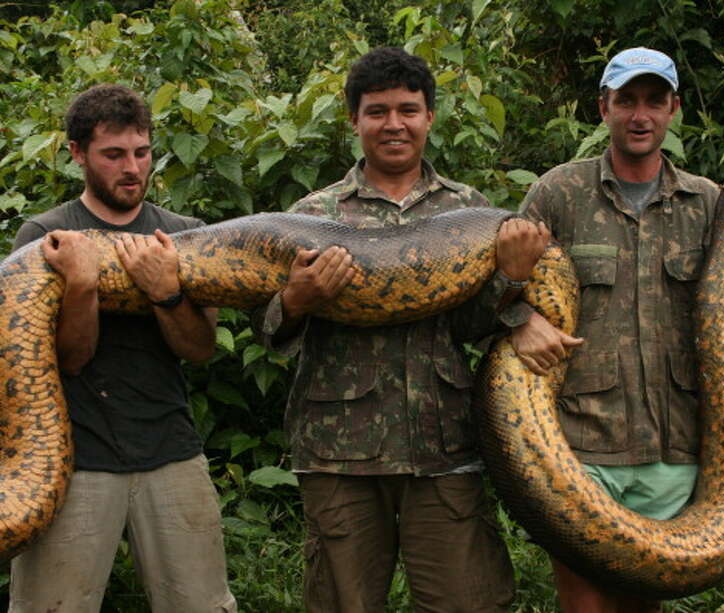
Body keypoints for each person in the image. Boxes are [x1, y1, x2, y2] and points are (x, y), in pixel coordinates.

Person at [510, 47, 724, 612]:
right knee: (582, 603)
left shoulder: (706, 201)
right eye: (626, 100)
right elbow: (505, 283)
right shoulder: (558, 193)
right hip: (579, 443)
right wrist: (519, 316)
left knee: (640, 605)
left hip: (670, 446)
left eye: (654, 100)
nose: (640, 114)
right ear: (603, 108)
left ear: (673, 108)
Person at [252, 46, 548, 612]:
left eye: (408, 110)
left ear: (430, 117)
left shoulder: (470, 209)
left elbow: (472, 326)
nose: (394, 124)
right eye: (377, 111)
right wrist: (294, 301)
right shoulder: (309, 215)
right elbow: (266, 332)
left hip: (445, 446)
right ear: (354, 120)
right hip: (338, 453)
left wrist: (508, 279)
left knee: (468, 604)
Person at [8, 84, 237, 613]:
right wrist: (83, 287)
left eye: (142, 152)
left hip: (170, 450)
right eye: (114, 155)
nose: (132, 167)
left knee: (201, 605)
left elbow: (199, 349)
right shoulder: (44, 236)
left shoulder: (184, 236)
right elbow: (69, 360)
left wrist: (166, 293)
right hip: (75, 463)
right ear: (78, 154)